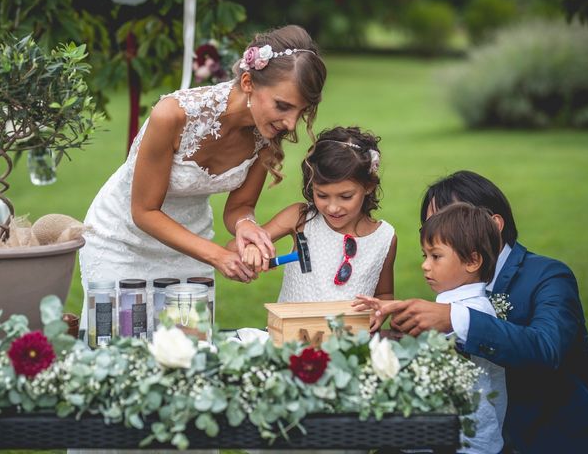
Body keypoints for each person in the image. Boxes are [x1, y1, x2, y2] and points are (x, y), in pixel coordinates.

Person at [78, 25, 327, 332]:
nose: (291, 123)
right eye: (283, 106)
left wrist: (246, 224)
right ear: (248, 82)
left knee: (187, 351)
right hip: (122, 241)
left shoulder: (267, 135)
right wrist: (217, 255)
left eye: (300, 112)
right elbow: (144, 211)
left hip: (191, 247)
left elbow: (241, 206)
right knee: (120, 344)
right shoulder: (173, 115)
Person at [367, 171, 588, 453]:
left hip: (543, 436)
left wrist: (454, 319)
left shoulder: (548, 276)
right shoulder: (454, 280)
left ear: (494, 224)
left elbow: (547, 348)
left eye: (451, 220)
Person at [354, 202, 507, 453]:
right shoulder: (458, 302)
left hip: (465, 443)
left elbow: (452, 326)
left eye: (435, 256)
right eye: (425, 256)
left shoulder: (477, 311)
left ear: (472, 261)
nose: (425, 265)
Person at [230, 126, 396, 303]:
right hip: (292, 329)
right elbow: (232, 248)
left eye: (345, 196)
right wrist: (252, 248)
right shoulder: (300, 217)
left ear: (368, 186)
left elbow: (384, 295)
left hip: (350, 331)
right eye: (322, 195)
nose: (332, 208)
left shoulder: (385, 238)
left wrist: (373, 318)